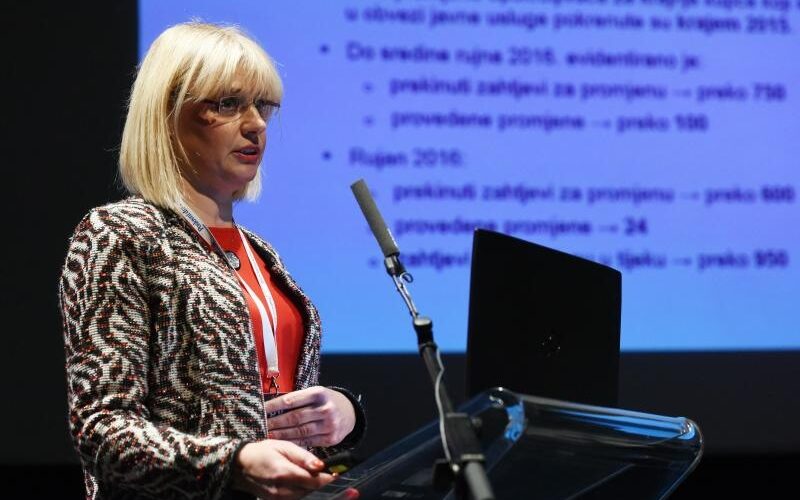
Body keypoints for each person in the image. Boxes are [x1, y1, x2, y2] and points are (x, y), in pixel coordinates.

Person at [59, 21, 366, 500]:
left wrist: (343, 414)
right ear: (167, 114)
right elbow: (102, 428)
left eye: (262, 106)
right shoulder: (121, 235)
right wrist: (233, 463)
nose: (256, 124)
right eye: (228, 104)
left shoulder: (260, 252)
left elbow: (268, 400)